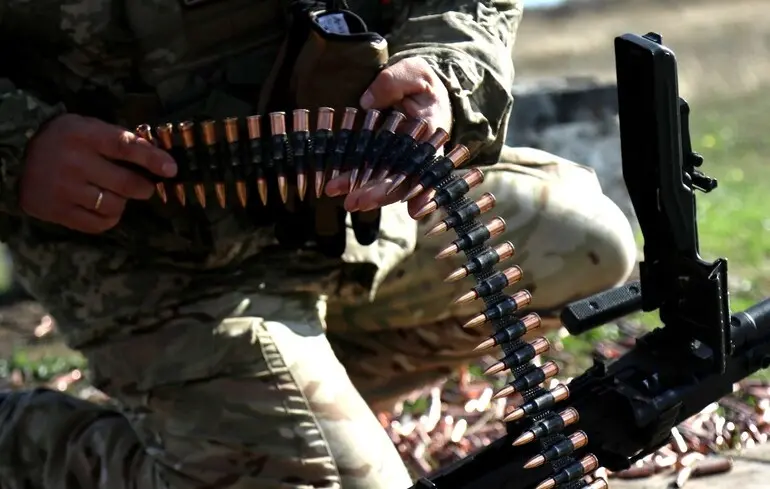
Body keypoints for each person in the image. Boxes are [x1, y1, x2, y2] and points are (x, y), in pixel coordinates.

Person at [0, 1, 636, 488]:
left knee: (590, 243)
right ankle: (20, 442)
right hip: (155, 257)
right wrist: (19, 143)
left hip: (358, 215)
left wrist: (445, 70)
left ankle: (267, 407)